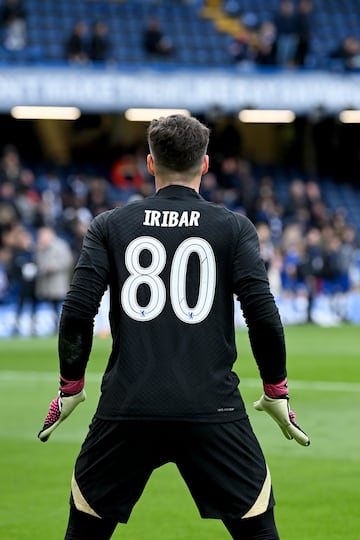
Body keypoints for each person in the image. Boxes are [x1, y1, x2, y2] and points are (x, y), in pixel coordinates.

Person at [38, 114, 310, 540]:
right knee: (259, 533)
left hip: (127, 407)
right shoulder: (234, 228)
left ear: (149, 164)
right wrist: (276, 390)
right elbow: (263, 315)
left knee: (84, 533)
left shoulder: (109, 226)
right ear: (205, 164)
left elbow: (76, 310)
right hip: (212, 408)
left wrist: (71, 385)